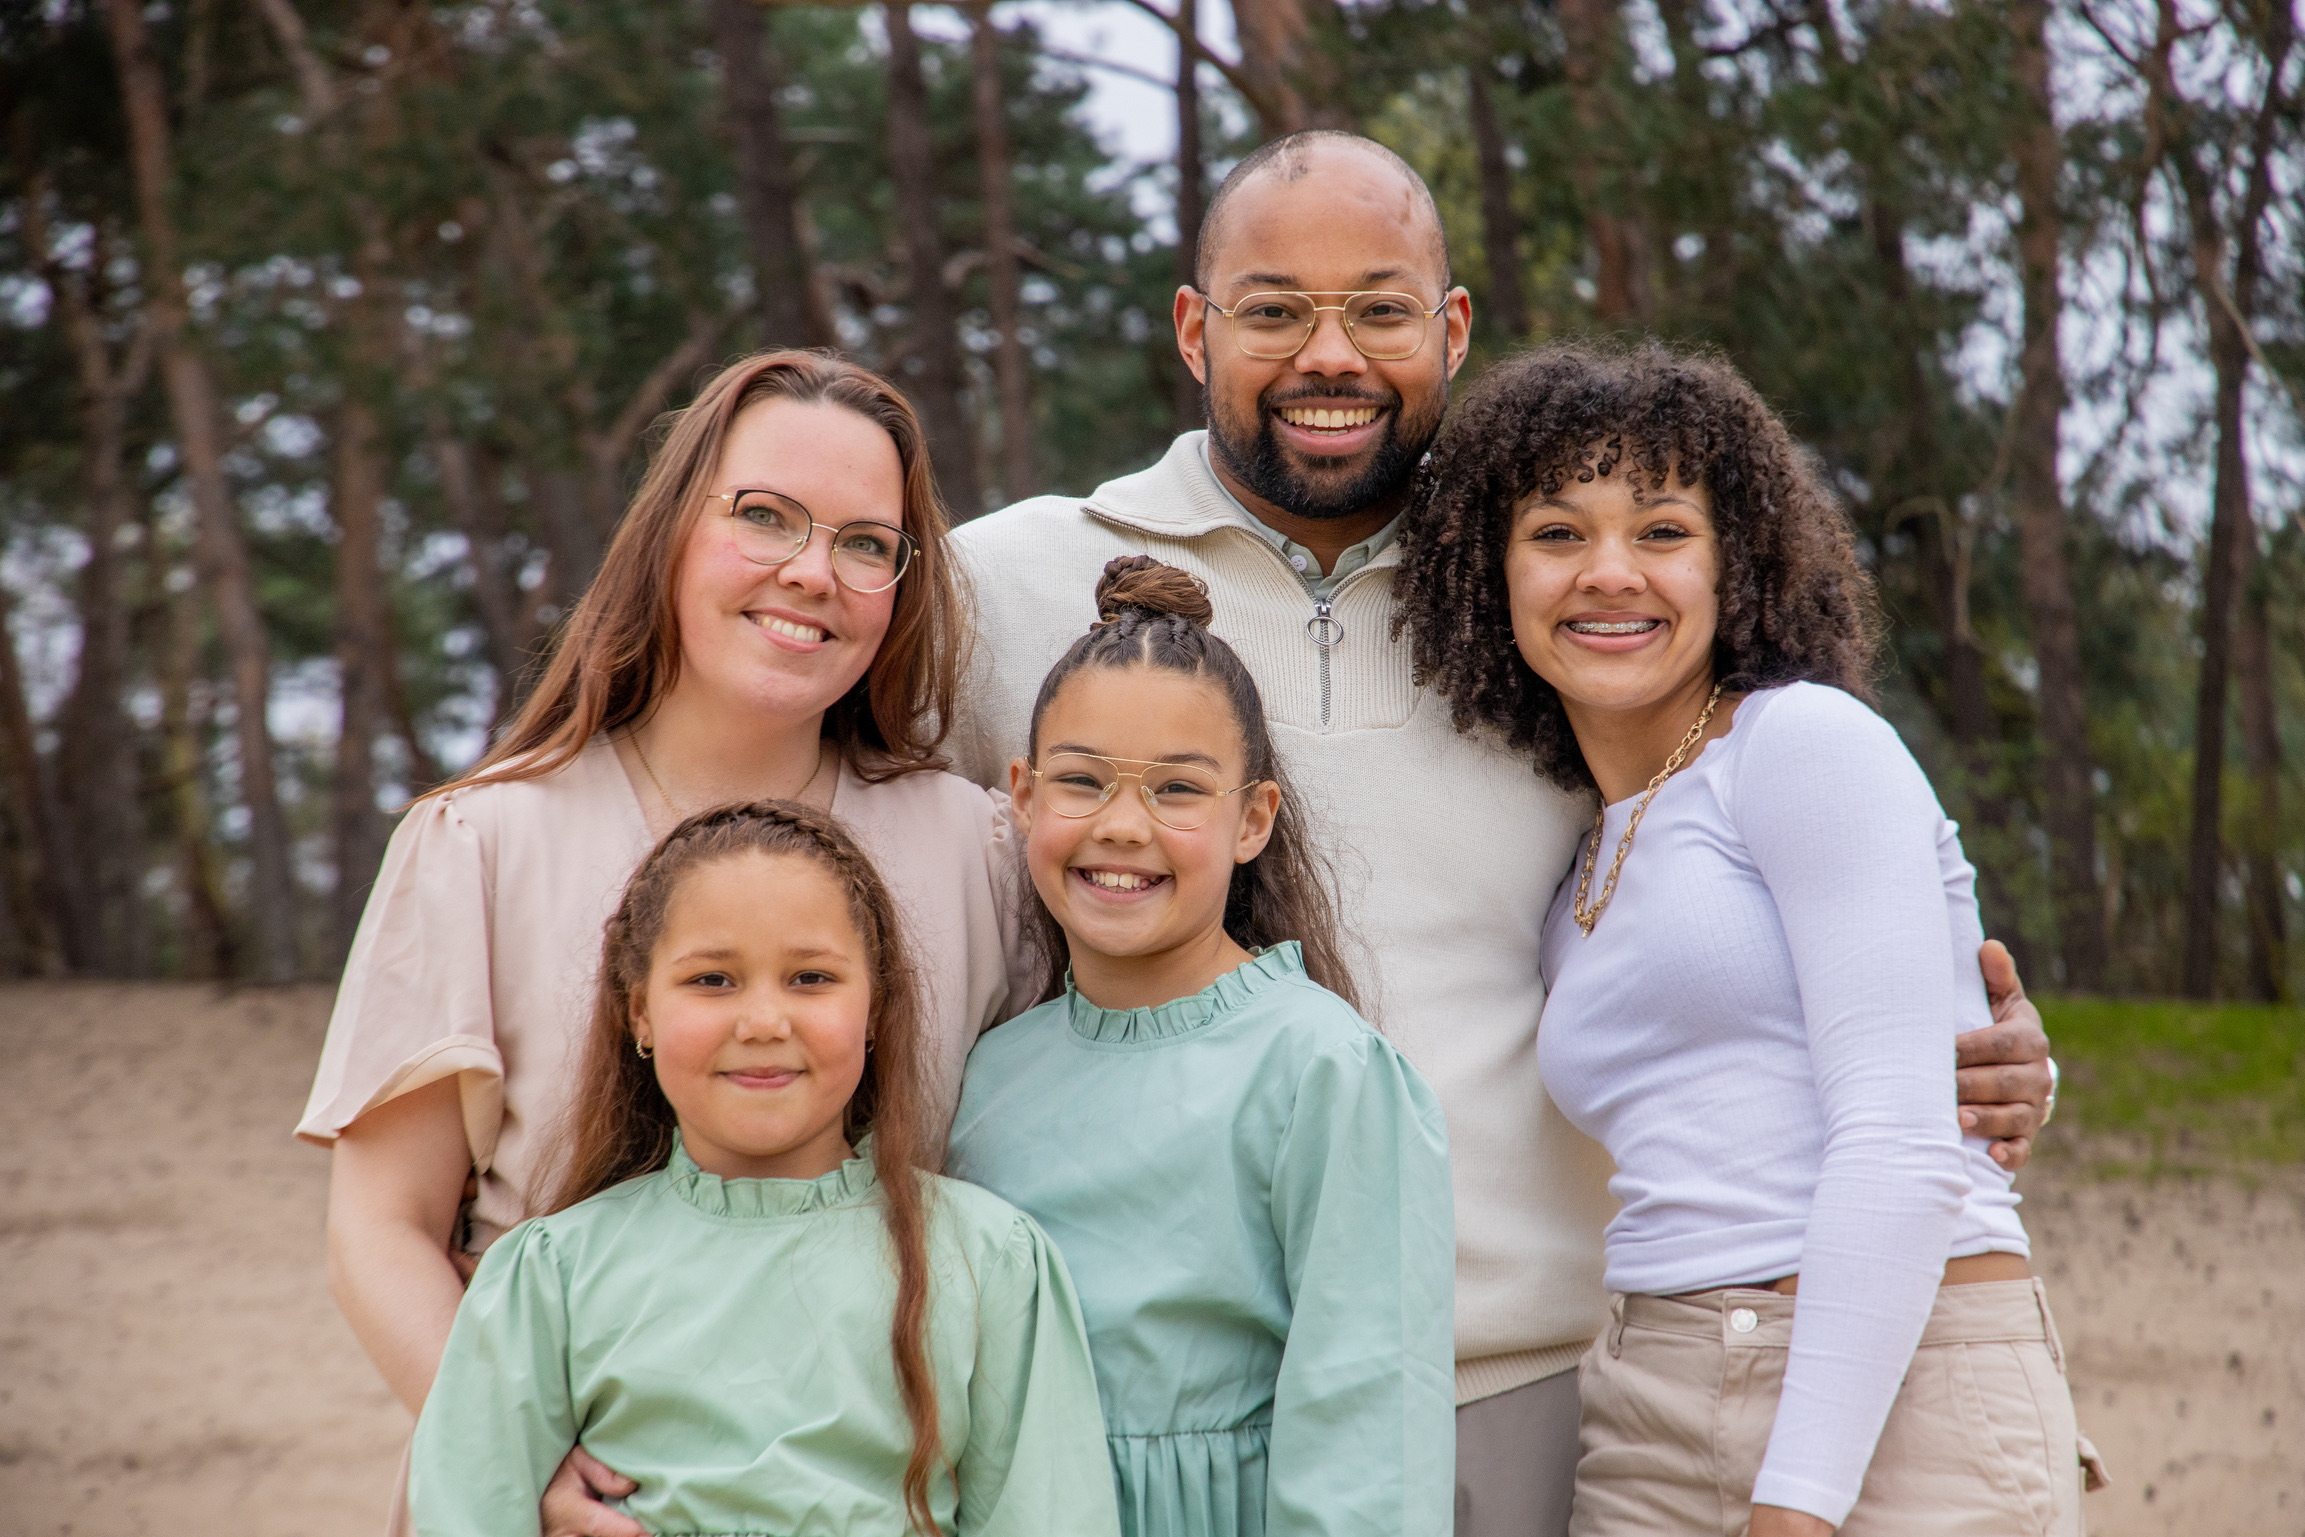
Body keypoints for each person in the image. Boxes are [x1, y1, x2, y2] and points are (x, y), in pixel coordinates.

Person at [943, 129, 2057, 1536]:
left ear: (1452, 328)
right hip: (1155, 1406)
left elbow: (1826, 975)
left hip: (1547, 1392)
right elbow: (832, 874)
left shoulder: (1528, 615)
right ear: (1193, 327)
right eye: (1274, 308)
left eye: (1381, 309)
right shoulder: (1004, 584)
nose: (1329, 356)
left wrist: (1971, 1051)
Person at [299, 352, 1026, 1532]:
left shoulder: (974, 853)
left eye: (865, 543)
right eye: (765, 516)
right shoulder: (482, 842)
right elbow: (381, 1225)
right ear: (673, 529)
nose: (812, 571)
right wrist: (512, 1453)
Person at [1394, 339, 2102, 1535]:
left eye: (1662, 531)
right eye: (1557, 532)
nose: (1608, 572)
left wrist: (1796, 1506)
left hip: (1898, 1388)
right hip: (1652, 1401)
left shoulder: (1800, 744)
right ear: (1490, 571)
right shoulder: (1587, 850)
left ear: (1736, 562)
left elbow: (1898, 1141)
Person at [410, 801, 1120, 1537]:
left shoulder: (988, 1262)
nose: (762, 1022)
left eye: (810, 977)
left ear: (874, 1008)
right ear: (640, 1012)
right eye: (712, 980)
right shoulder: (550, 1277)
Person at [945, 557, 1456, 1537]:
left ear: (1251, 818)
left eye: (1177, 788)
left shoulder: (1324, 1070)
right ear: (1022, 795)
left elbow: (1369, 1427)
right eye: (1081, 781)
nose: (1121, 826)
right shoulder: (989, 1078)